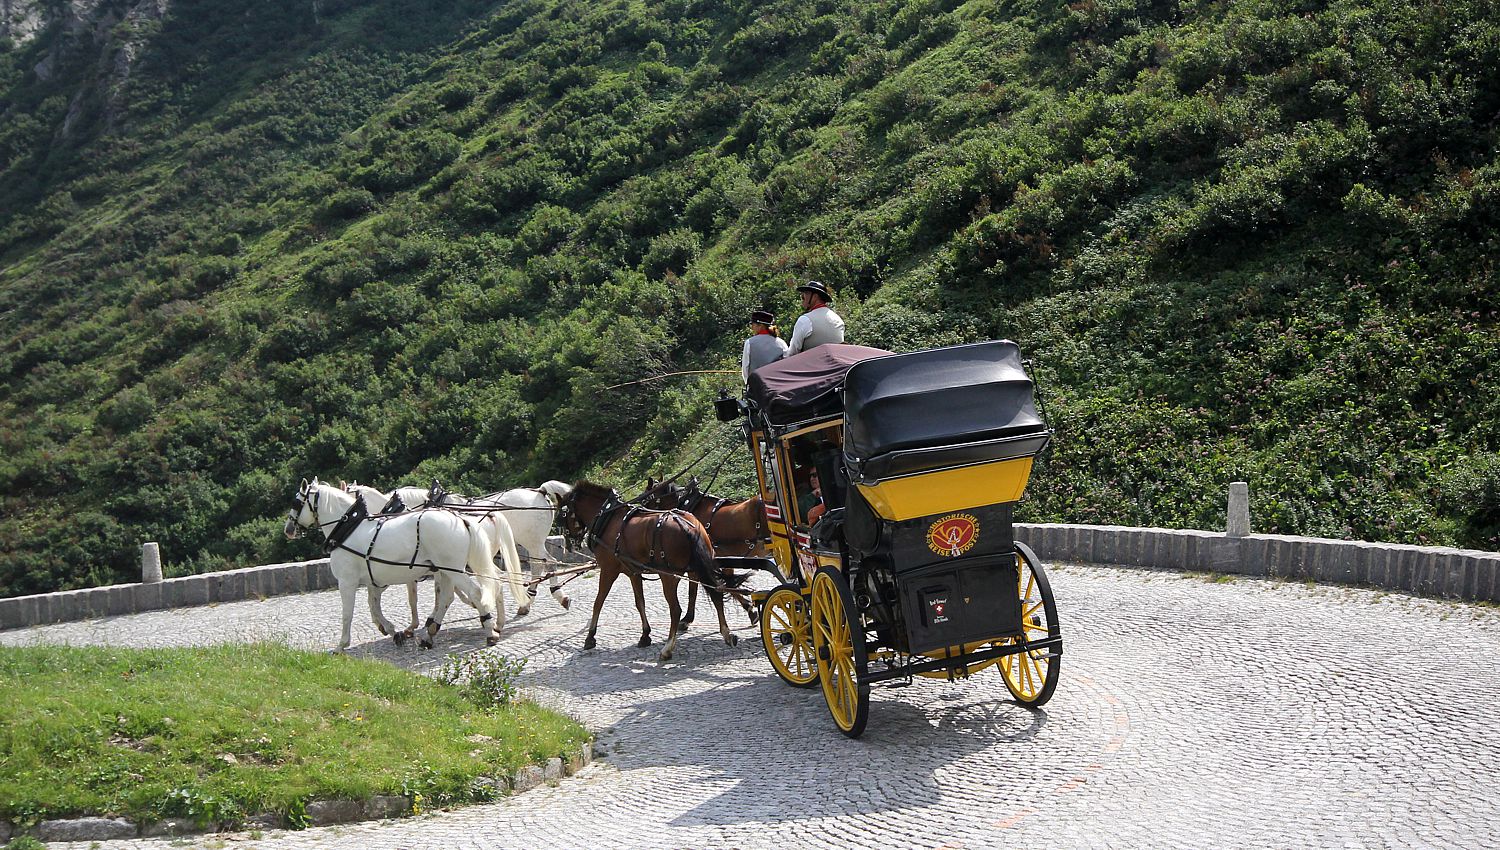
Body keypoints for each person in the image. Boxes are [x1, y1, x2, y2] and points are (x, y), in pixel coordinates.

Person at [786, 280, 844, 356]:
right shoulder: (838, 320)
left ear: (815, 296)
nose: (803, 297)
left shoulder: (805, 320)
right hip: (835, 367)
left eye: (806, 293)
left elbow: (792, 353)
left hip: (810, 366)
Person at [741, 306, 789, 384]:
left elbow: (745, 369)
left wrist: (748, 384)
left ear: (761, 325)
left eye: (753, 324)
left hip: (757, 387)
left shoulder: (749, 342)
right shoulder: (781, 343)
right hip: (778, 386)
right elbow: (787, 365)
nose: (752, 327)